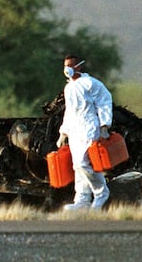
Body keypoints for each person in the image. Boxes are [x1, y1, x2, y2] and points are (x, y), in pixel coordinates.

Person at [56, 55, 113, 210]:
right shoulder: (69, 88)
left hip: (89, 126)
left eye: (70, 65)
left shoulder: (91, 83)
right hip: (75, 130)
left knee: (84, 162)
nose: (67, 69)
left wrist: (104, 125)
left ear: (79, 67)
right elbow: (69, 112)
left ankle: (101, 193)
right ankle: (82, 199)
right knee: (77, 165)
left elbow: (104, 102)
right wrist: (64, 132)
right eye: (65, 65)